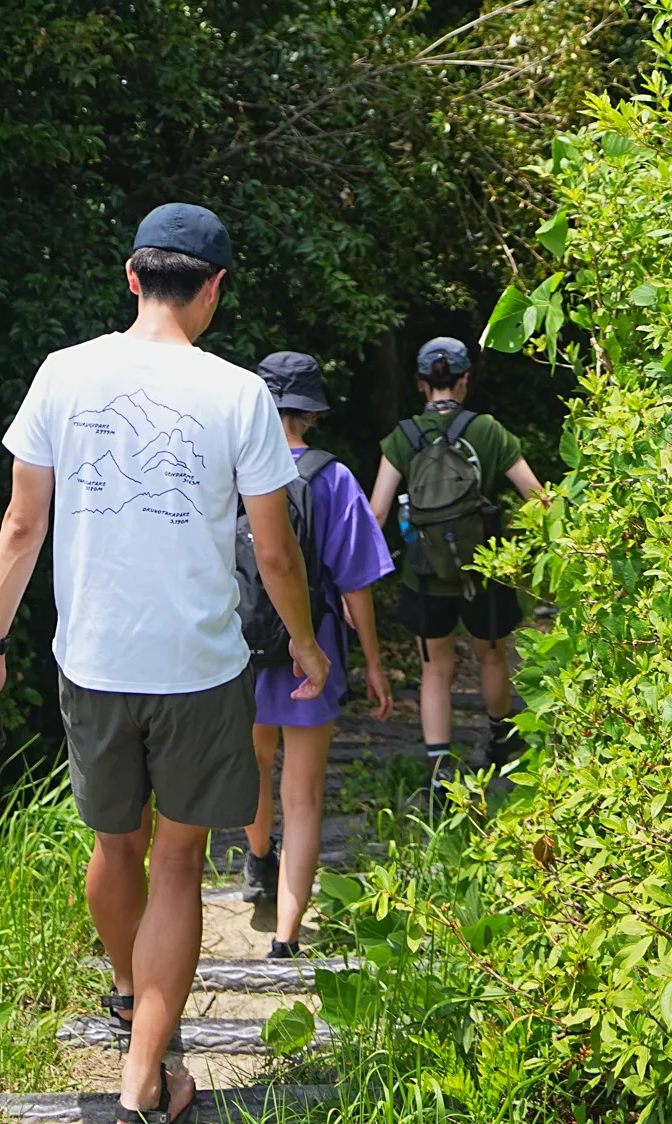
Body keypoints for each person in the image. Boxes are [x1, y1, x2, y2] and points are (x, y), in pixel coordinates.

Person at [0, 205, 328, 1124]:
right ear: (214, 288)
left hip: (92, 660)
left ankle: (132, 1007)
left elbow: (21, 524)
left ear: (131, 276)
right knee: (178, 860)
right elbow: (275, 555)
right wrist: (309, 647)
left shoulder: (61, 374)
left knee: (113, 843)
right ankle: (143, 1076)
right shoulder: (240, 394)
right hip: (200, 667)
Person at [241, 350, 394, 953]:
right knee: (301, 794)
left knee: (252, 763)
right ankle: (285, 935)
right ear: (310, 411)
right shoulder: (333, 478)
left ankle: (256, 859)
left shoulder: (233, 470)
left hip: (242, 646)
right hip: (315, 648)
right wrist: (375, 663)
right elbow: (356, 582)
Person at [368, 335, 543, 783]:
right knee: (492, 656)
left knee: (435, 668)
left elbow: (378, 512)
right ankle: (500, 740)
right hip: (485, 569)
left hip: (424, 575)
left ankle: (440, 770)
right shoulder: (487, 430)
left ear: (421, 384)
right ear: (465, 380)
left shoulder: (402, 437)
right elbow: (538, 497)